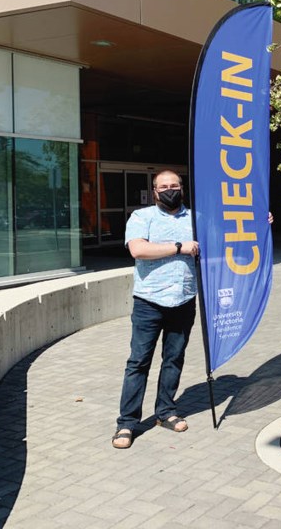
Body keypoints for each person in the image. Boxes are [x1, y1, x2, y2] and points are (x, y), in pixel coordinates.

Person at [112, 170, 200, 449]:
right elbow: (138, 250)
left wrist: (261, 222)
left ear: (182, 189)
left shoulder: (196, 219)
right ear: (154, 191)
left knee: (174, 359)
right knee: (138, 362)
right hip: (149, 302)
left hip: (184, 300)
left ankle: (165, 412)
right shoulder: (142, 217)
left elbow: (231, 232)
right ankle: (126, 423)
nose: (170, 190)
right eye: (164, 187)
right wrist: (179, 248)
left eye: (174, 185)